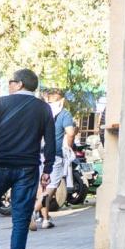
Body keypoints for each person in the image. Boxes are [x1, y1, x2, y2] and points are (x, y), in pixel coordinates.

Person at [0, 69, 55, 249]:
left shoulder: (2, 103)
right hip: (28, 168)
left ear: (19, 84)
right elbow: (50, 141)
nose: (9, 85)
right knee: (21, 215)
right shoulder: (43, 108)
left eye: (11, 81)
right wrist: (47, 169)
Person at [33, 88, 76, 231]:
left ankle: (45, 219)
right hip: (55, 155)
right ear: (62, 100)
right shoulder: (64, 114)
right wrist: (69, 147)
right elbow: (70, 132)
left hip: (38, 154)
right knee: (50, 189)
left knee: (42, 188)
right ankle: (30, 213)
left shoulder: (40, 113)